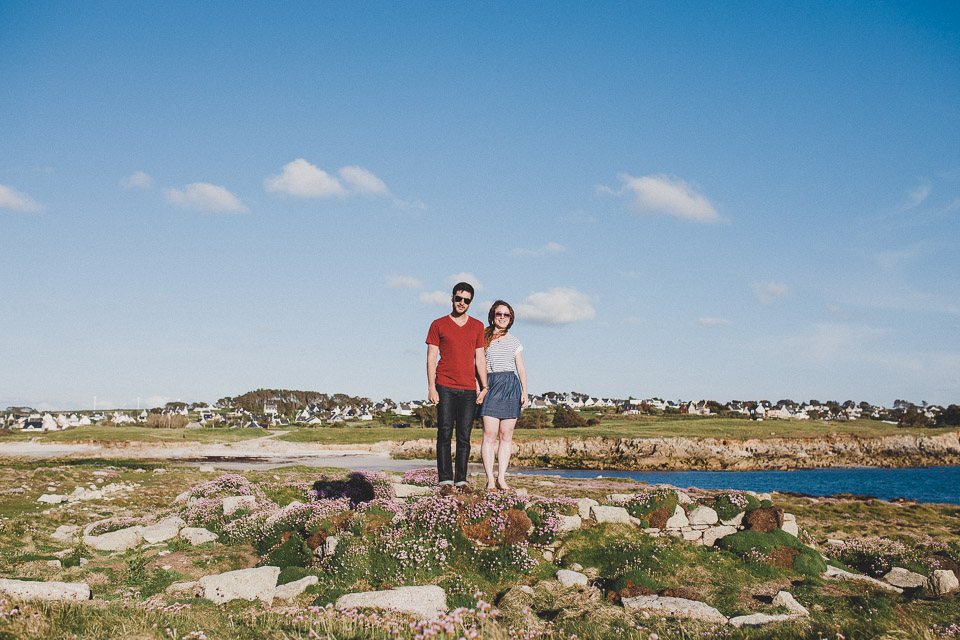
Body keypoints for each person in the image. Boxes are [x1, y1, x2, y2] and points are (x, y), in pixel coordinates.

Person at [426, 282, 489, 496]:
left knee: (464, 436)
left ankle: (461, 481)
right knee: (444, 433)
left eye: (466, 300)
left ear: (471, 302)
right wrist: (432, 387)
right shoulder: (438, 324)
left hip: (469, 389)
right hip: (444, 385)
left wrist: (484, 385)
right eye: (458, 298)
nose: (462, 303)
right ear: (451, 298)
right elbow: (431, 358)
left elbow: (480, 358)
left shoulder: (478, 326)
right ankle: (445, 481)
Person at [479, 300, 527, 492]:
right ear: (492, 316)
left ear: (511, 318)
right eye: (499, 314)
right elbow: (477, 364)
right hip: (490, 386)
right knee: (489, 435)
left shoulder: (515, 341)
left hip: (510, 386)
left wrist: (524, 391)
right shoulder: (482, 337)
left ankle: (501, 478)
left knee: (506, 435)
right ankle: (490, 480)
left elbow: (521, 368)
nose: (502, 317)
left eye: (506, 315)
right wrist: (479, 388)